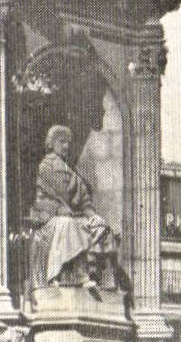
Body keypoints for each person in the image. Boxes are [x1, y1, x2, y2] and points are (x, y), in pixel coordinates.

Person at [27, 124, 116, 292]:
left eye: (68, 142)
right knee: (68, 223)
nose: (66, 146)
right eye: (62, 142)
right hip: (48, 218)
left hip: (70, 216)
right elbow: (61, 195)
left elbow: (84, 199)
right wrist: (67, 206)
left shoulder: (71, 169)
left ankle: (98, 275)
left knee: (100, 226)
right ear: (51, 144)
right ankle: (77, 274)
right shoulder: (46, 166)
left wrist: (92, 214)